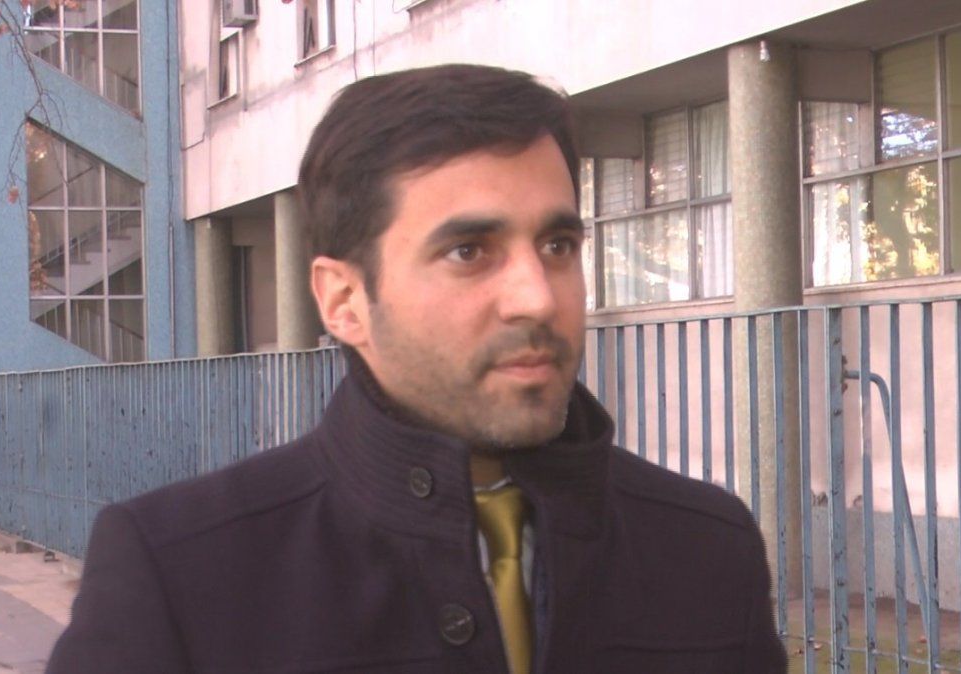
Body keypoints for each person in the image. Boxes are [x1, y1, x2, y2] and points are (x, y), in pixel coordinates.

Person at [46, 64, 787, 674]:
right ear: (344, 301)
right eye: (469, 251)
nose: (538, 296)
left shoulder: (707, 549)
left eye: (558, 245)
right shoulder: (181, 572)